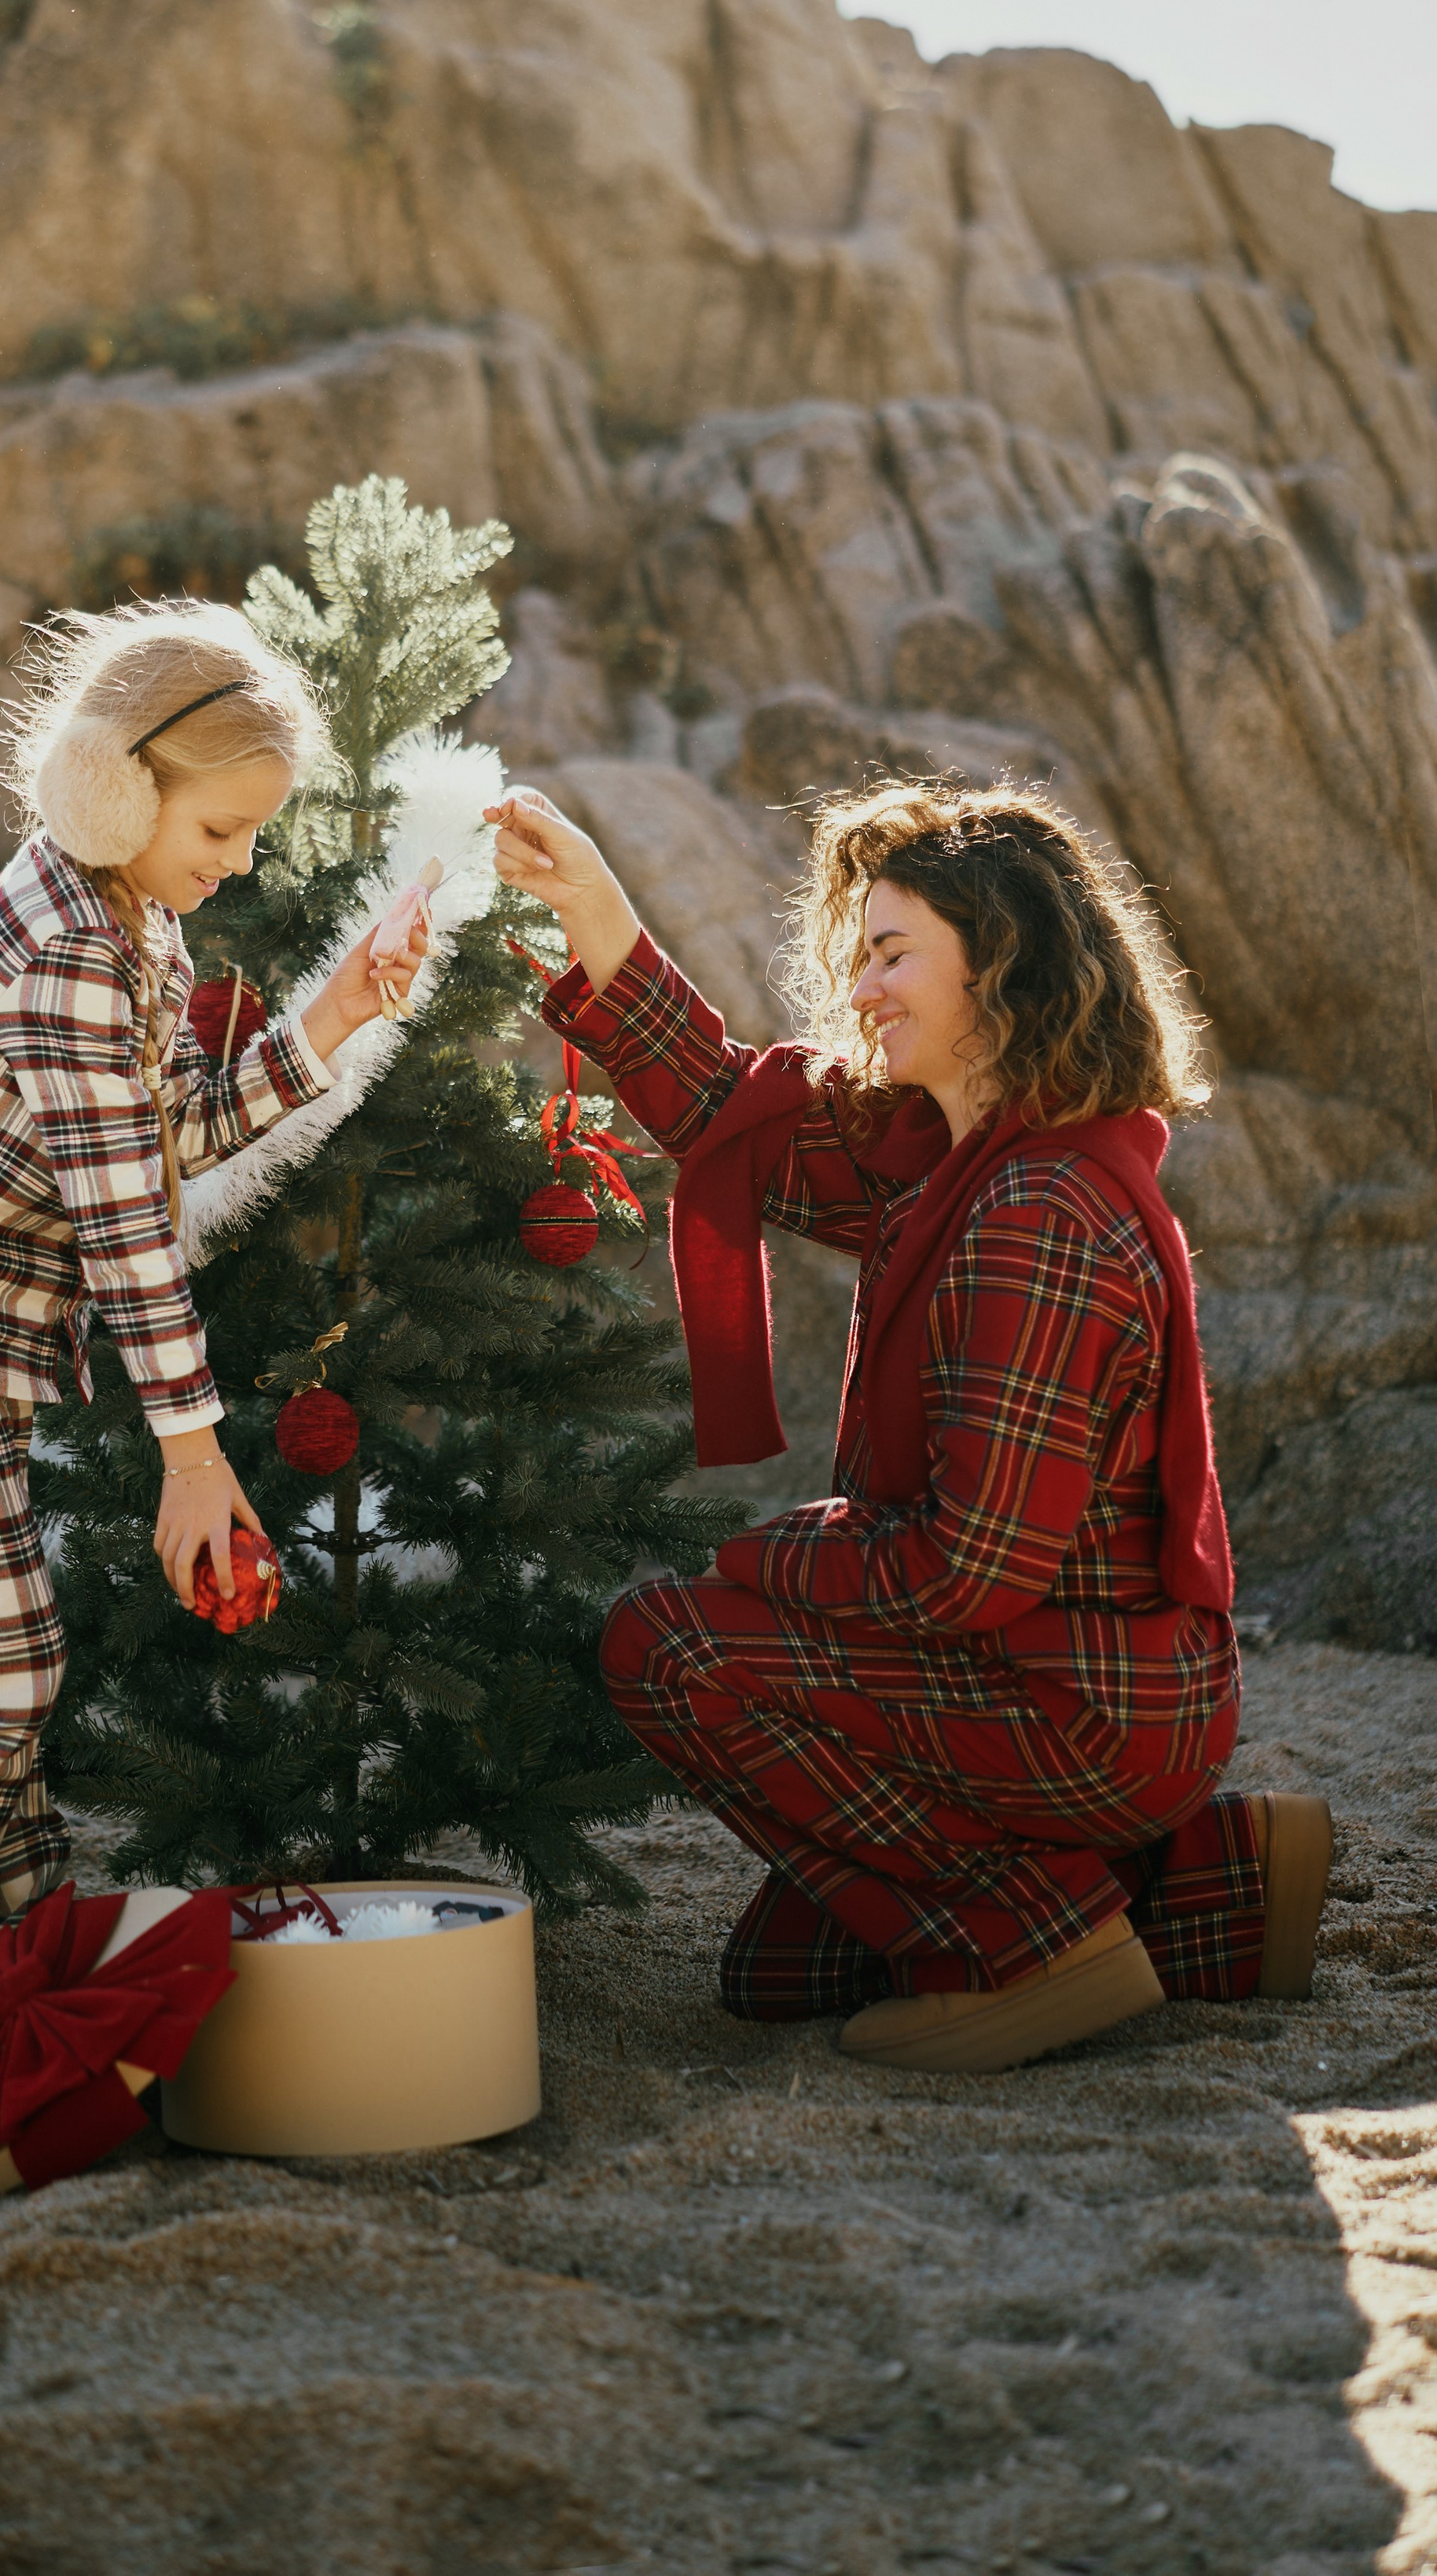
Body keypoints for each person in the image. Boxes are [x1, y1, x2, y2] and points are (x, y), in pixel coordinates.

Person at [485, 777, 1332, 2074]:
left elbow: (969, 1572)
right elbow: (735, 1125)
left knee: (671, 1645)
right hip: (1057, 1681)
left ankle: (1037, 1944)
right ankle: (1207, 1876)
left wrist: (768, 1558)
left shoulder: (1038, 1212)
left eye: (893, 955)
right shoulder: (957, 1158)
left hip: (1081, 1706)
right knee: (781, 1972)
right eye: (861, 953)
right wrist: (595, 905)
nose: (861, 987)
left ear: (1001, 966)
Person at [0, 598, 425, 2105]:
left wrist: (336, 1007)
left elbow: (172, 1137)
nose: (243, 859)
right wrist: (192, 1460)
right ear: (114, 789)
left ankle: (20, 1954)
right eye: (224, 826)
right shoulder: (65, 948)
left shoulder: (135, 913)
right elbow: (129, 1229)